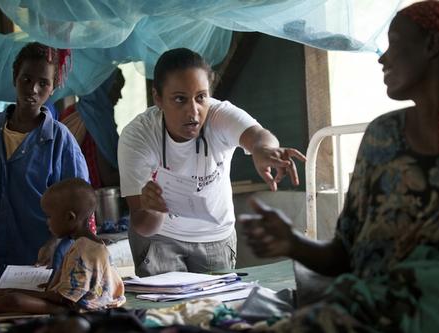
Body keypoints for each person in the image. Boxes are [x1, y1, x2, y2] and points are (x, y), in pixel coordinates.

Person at [241, 1, 439, 331]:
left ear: (433, 44)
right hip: (359, 309)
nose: (383, 57)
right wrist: (292, 243)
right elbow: (345, 255)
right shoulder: (382, 139)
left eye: (393, 42)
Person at [118, 48, 306, 277]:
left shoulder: (219, 115)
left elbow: (258, 135)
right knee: (164, 310)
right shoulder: (137, 136)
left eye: (201, 97)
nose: (193, 111)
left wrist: (264, 150)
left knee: (215, 308)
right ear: (157, 98)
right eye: (179, 99)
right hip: (160, 237)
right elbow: (143, 224)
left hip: (216, 237)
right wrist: (154, 211)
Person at [0, 42, 89, 291]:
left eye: (43, 83)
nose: (33, 89)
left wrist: (54, 241)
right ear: (15, 78)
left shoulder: (61, 140)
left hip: (39, 260)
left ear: (53, 88)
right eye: (26, 79)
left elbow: (81, 208)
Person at [0, 178, 126, 314]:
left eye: (49, 216)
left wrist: (43, 294)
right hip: (68, 302)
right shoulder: (89, 243)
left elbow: (67, 299)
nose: (47, 222)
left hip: (75, 309)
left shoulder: (85, 250)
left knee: (13, 299)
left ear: (69, 217)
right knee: (7, 291)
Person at [60, 69, 125, 189]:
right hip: (94, 199)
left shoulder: (71, 113)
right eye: (116, 88)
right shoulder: (97, 120)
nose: (120, 96)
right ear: (102, 88)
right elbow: (107, 178)